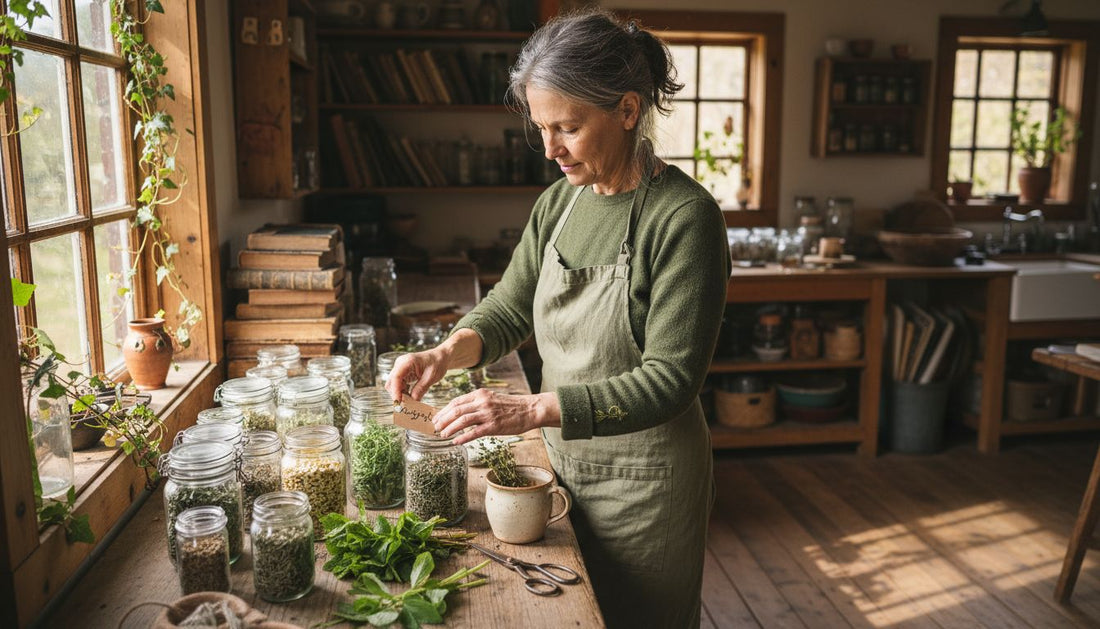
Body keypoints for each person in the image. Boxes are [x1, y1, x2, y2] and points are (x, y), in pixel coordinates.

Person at [386, 9, 730, 627]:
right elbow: (510, 305)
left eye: (568, 127)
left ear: (627, 111)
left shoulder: (685, 218)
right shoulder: (559, 203)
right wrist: (445, 352)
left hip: (645, 486)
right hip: (557, 468)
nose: (550, 150)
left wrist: (529, 410)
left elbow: (671, 380)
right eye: (541, 128)